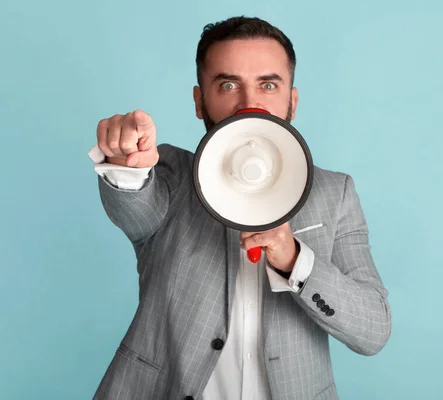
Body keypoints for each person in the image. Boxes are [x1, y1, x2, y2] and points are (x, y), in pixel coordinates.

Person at [87, 16, 391, 400]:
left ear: (291, 101)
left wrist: (295, 259)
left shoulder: (335, 192)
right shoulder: (169, 174)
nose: (250, 104)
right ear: (200, 101)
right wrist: (126, 164)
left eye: (268, 84)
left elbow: (373, 330)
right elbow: (133, 207)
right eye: (228, 84)